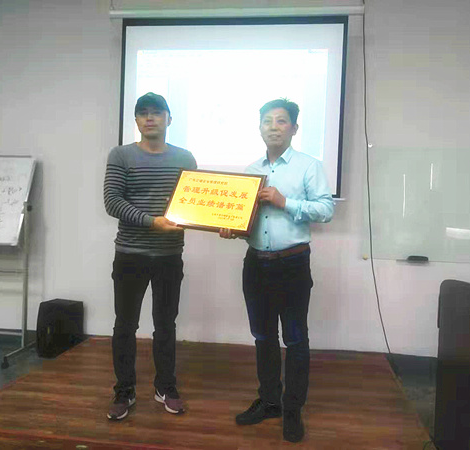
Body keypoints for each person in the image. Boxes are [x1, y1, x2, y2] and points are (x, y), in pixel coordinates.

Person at [220, 98, 334, 442]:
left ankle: (293, 409)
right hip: (256, 264)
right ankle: (270, 401)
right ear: (259, 128)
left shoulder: (308, 166)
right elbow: (248, 220)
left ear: (294, 128)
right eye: (267, 121)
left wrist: (285, 202)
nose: (273, 127)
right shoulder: (250, 170)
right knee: (263, 337)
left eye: (281, 121)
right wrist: (232, 228)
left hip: (293, 264)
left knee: (295, 339)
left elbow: (326, 210)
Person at [104, 92, 197, 420]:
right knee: (125, 325)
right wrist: (151, 221)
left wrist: (220, 222)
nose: (149, 118)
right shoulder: (121, 155)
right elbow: (112, 202)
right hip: (130, 254)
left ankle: (165, 387)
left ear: (169, 119)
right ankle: (124, 389)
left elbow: (194, 204)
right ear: (136, 120)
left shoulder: (185, 158)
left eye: (156, 112)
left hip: (169, 255)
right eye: (142, 113)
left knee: (166, 325)